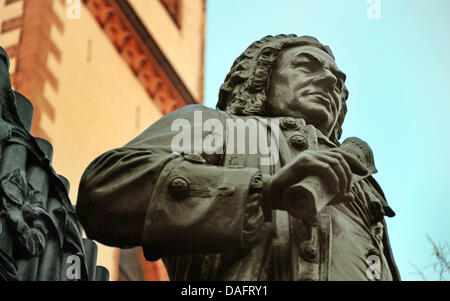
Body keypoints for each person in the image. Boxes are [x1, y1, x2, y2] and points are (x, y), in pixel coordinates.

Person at [76, 34, 400, 280]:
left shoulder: (361, 182)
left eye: (339, 83)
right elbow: (106, 190)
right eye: (306, 65)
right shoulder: (217, 126)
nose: (332, 81)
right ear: (263, 75)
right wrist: (264, 192)